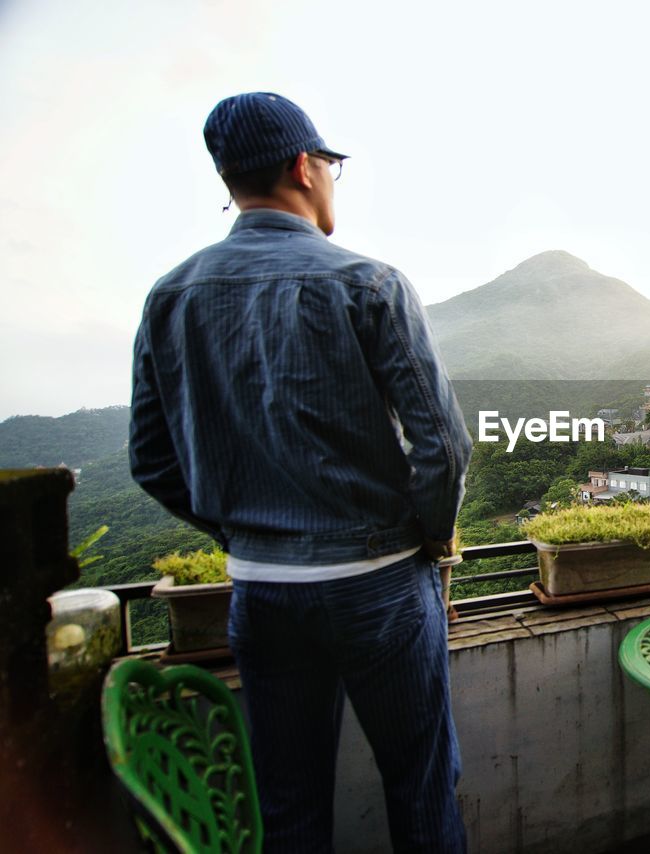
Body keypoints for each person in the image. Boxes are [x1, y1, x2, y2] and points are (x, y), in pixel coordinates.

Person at [129, 92, 472, 852]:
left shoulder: (170, 295)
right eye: (330, 166)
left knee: (287, 803)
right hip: (380, 582)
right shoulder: (368, 282)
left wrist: (246, 529)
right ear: (302, 166)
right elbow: (443, 446)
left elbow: (151, 459)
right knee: (419, 787)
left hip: (262, 593)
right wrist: (426, 539)